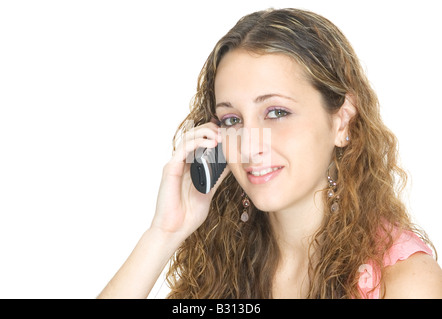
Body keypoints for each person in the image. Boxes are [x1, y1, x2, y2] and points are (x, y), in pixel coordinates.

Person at [98, 8, 442, 299]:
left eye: (276, 112)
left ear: (341, 121)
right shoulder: (225, 264)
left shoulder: (406, 281)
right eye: (232, 120)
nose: (249, 146)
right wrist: (164, 234)